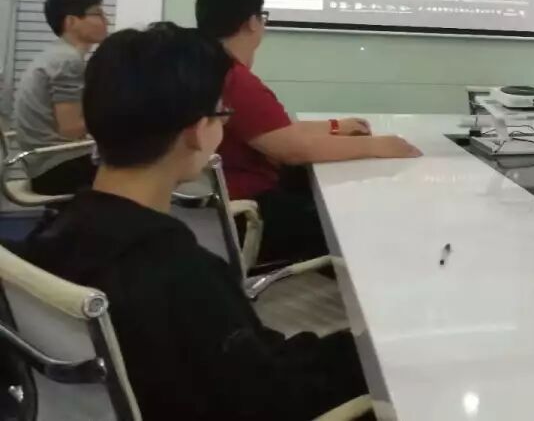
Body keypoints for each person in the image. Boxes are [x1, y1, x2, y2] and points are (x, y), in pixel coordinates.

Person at [19, 23, 367, 420]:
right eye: (221, 114)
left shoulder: (51, 234)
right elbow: (274, 400)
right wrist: (367, 352)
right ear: (197, 133)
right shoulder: (185, 275)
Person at [196, 0, 420, 263]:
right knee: (355, 221)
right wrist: (376, 146)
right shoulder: (236, 80)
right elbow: (292, 149)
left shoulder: (208, 66)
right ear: (252, 22)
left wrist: (335, 126)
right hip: (249, 213)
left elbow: (273, 131)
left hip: (224, 205)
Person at [13, 0, 107, 194]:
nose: (106, 21)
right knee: (140, 174)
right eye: (98, 14)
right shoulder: (67, 61)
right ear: (71, 21)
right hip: (59, 168)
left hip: (46, 165)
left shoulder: (54, 55)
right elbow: (71, 129)